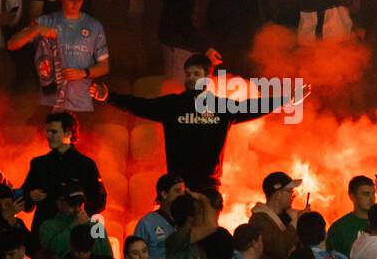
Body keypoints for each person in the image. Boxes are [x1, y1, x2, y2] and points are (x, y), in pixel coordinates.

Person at [91, 52, 305, 195]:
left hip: (209, 187)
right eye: (188, 74)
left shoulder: (221, 106)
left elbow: (253, 106)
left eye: (196, 73)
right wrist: (109, 97)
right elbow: (140, 105)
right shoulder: (173, 105)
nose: (191, 77)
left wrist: (286, 100)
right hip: (178, 186)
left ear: (207, 78)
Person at [17, 110, 107, 246]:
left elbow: (99, 199)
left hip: (76, 235)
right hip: (46, 234)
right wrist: (30, 196)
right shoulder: (39, 164)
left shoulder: (86, 164)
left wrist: (83, 214)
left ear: (69, 133)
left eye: (53, 132)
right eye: (47, 131)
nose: (48, 135)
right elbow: (25, 200)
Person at [326, 175, 376, 257]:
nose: (372, 199)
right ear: (352, 197)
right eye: (366, 194)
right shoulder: (339, 228)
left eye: (373, 194)